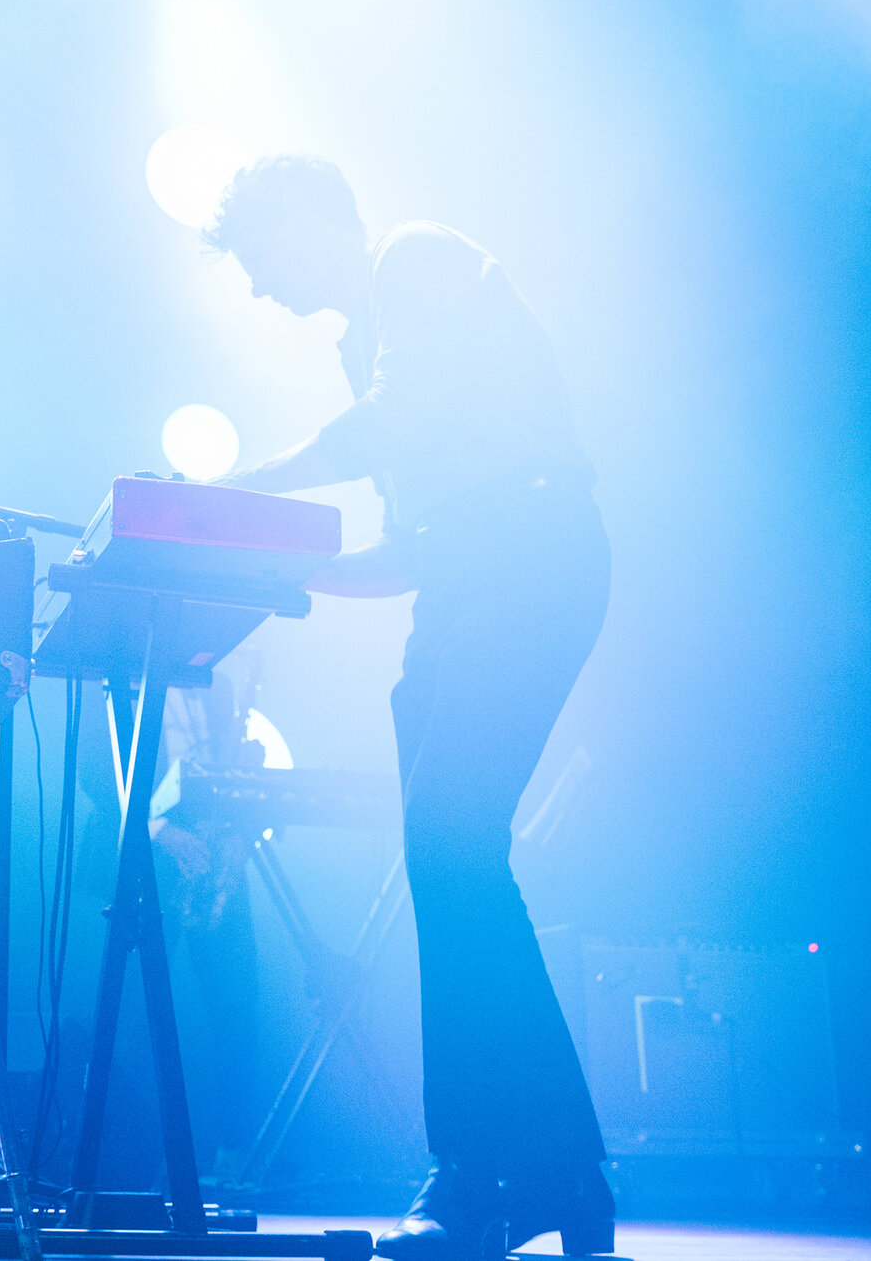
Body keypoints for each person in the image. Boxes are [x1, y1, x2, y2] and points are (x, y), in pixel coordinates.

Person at [205, 156, 614, 1260]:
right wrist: (270, 572)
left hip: (529, 556)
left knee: (449, 851)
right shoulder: (361, 341)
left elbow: (389, 425)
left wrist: (239, 496)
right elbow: (409, 542)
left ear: (303, 217)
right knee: (457, 864)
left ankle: (482, 1175)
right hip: (463, 585)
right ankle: (551, 1173)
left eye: (256, 257)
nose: (256, 288)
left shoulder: (417, 259)